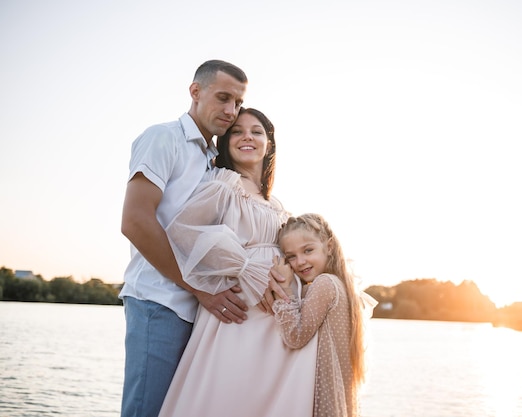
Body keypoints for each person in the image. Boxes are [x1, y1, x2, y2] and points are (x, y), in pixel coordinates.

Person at [157, 108, 318, 417]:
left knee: (270, 399)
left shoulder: (276, 204)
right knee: (231, 393)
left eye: (256, 132)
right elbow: (182, 231)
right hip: (239, 312)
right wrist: (247, 267)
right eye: (238, 131)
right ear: (226, 142)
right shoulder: (223, 183)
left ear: (269, 144)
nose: (247, 137)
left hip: (278, 319)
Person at [119, 60, 248, 417]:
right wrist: (199, 288)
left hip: (197, 313)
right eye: (223, 97)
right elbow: (135, 221)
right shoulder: (163, 137)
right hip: (158, 302)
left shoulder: (213, 160)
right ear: (195, 92)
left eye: (237, 102)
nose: (230, 110)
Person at [271, 213, 378, 417]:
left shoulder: (325, 284)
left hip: (322, 398)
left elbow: (296, 336)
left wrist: (284, 290)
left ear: (328, 247)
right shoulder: (342, 286)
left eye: (308, 250)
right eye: (291, 256)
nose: (300, 261)